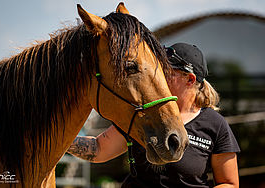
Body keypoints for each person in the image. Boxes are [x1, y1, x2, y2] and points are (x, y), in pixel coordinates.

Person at [67, 43, 240, 188]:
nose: (159, 78)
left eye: (167, 72)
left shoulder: (215, 124)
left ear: (190, 79)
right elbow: (99, 149)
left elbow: (229, 183)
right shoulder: (144, 112)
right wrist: (58, 140)